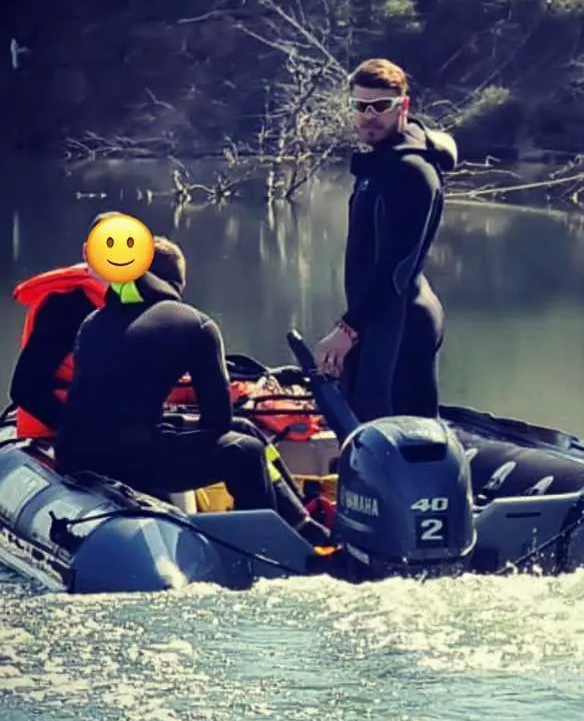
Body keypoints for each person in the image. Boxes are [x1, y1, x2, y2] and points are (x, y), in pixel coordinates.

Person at [54, 236, 330, 544]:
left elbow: (112, 405)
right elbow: (218, 422)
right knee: (246, 453)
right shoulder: (195, 324)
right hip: (130, 459)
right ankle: (265, 552)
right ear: (178, 283)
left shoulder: (94, 321)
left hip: (74, 456)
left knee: (245, 428)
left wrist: (176, 423)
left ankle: (302, 523)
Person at [313, 57, 457, 423]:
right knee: (367, 424)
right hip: (379, 320)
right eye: (360, 106)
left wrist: (348, 328)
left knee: (396, 434)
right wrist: (357, 326)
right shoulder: (380, 163)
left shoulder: (411, 171)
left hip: (403, 321)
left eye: (380, 106)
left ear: (402, 106)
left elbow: (396, 267)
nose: (368, 116)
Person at [9, 212, 120, 439]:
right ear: (87, 252)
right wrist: (81, 433)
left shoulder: (125, 302)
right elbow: (25, 388)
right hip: (50, 432)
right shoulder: (65, 306)